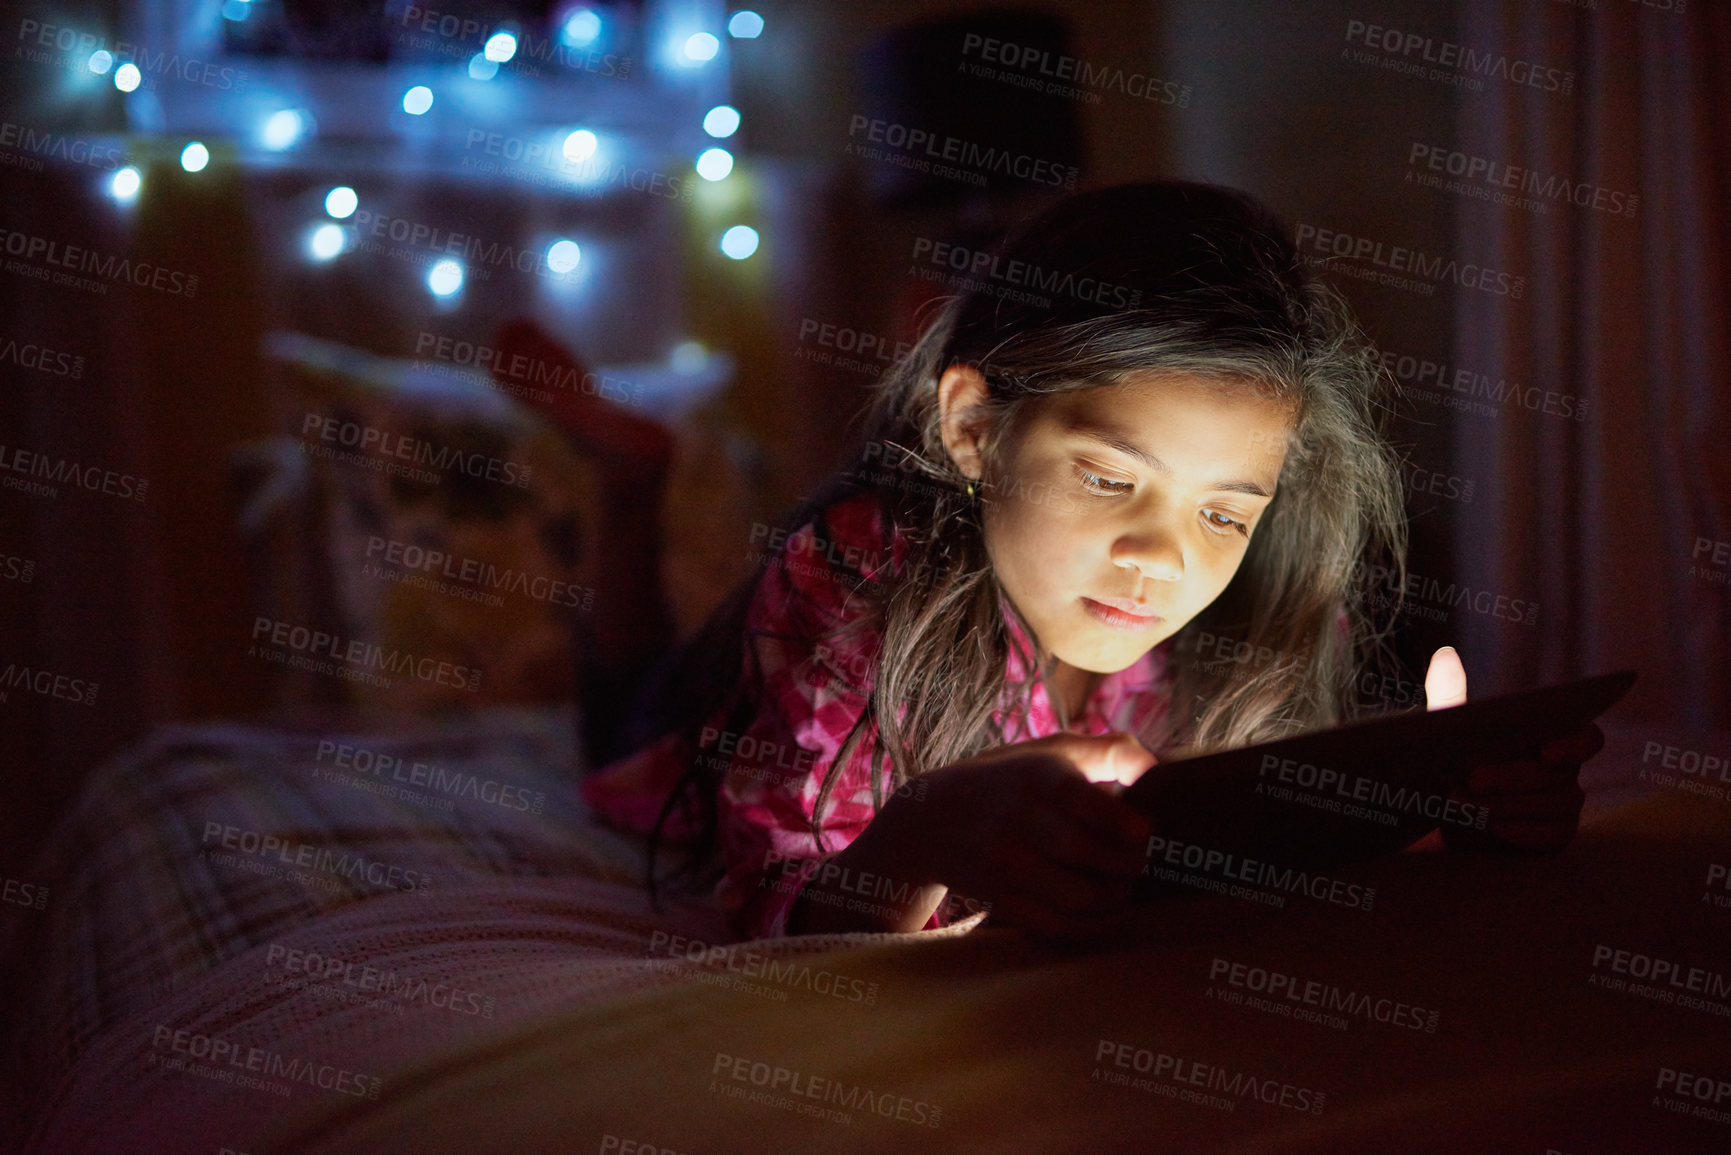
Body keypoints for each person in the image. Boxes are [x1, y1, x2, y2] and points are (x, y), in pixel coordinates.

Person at [537, 180, 1603, 942]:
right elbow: (775, 906)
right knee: (627, 704)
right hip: (687, 736)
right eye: (1107, 478)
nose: (1163, 556)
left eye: (1226, 514)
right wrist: (921, 837)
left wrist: (1448, 812)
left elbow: (1269, 833)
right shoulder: (859, 570)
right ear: (973, 428)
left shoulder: (1253, 614)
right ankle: (637, 482)